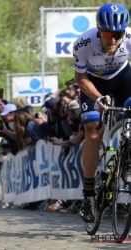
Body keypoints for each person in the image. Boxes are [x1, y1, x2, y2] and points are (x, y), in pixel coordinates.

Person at [73, 3, 131, 223]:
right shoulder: (83, 44)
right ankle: (88, 194)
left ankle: (127, 157)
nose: (113, 40)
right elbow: (80, 79)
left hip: (122, 78)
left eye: (118, 34)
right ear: (99, 30)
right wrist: (98, 97)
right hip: (93, 83)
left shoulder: (129, 38)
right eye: (108, 34)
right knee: (94, 134)